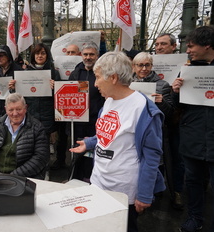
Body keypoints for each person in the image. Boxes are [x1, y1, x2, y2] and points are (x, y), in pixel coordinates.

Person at [70, 51, 165, 232]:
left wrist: (144, 195)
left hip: (124, 190)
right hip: (99, 182)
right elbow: (110, 134)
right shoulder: (108, 101)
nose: (95, 83)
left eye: (98, 77)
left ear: (113, 78)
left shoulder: (143, 109)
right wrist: (89, 143)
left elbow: (152, 156)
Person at [172, 26, 214, 232]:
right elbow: (177, 107)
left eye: (191, 46)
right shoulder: (187, 70)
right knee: (194, 181)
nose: (188, 50)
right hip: (193, 137)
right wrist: (176, 91)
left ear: (207, 45)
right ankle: (195, 217)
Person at [0, 93, 49, 179]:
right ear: (5, 109)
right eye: (11, 110)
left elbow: (40, 158)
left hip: (24, 178)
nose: (15, 113)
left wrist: (13, 176)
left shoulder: (37, 127)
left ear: (25, 108)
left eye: (18, 109)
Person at [155, 32, 185, 210]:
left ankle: (177, 192)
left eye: (163, 44)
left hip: (175, 119)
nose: (159, 47)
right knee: (156, 155)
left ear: (173, 46)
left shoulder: (185, 66)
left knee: (176, 158)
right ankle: (158, 188)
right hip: (157, 120)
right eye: (157, 44)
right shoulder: (148, 67)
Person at [68, 41, 105, 182]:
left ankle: (90, 178)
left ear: (97, 55)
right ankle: (75, 178)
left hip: (95, 120)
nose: (88, 57)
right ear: (81, 55)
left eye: (91, 54)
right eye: (85, 54)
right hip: (77, 121)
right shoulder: (75, 73)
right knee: (76, 150)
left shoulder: (101, 73)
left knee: (92, 152)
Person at [52, 43, 81, 170]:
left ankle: (76, 164)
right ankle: (61, 160)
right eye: (68, 52)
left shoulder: (81, 69)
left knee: (75, 135)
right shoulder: (58, 69)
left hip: (77, 105)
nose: (69, 55)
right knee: (62, 135)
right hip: (62, 105)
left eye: (73, 52)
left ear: (78, 54)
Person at [132, 52, 173, 118]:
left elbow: (170, 112)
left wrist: (162, 103)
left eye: (147, 65)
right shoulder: (126, 83)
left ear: (151, 66)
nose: (144, 69)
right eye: (140, 65)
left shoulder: (163, 85)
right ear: (133, 66)